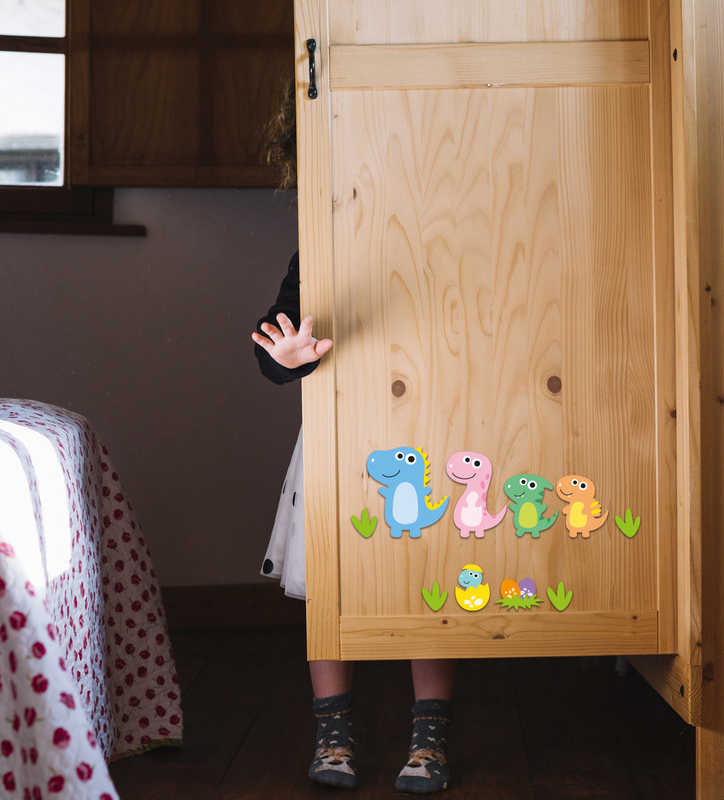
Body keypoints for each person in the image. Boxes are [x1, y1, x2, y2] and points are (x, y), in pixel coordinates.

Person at [251, 78, 456, 794]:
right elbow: (275, 342)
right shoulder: (323, 243)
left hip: (427, 428)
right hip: (342, 438)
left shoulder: (443, 229)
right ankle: (334, 734)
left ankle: (429, 738)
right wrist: (287, 356)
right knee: (329, 584)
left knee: (429, 581)